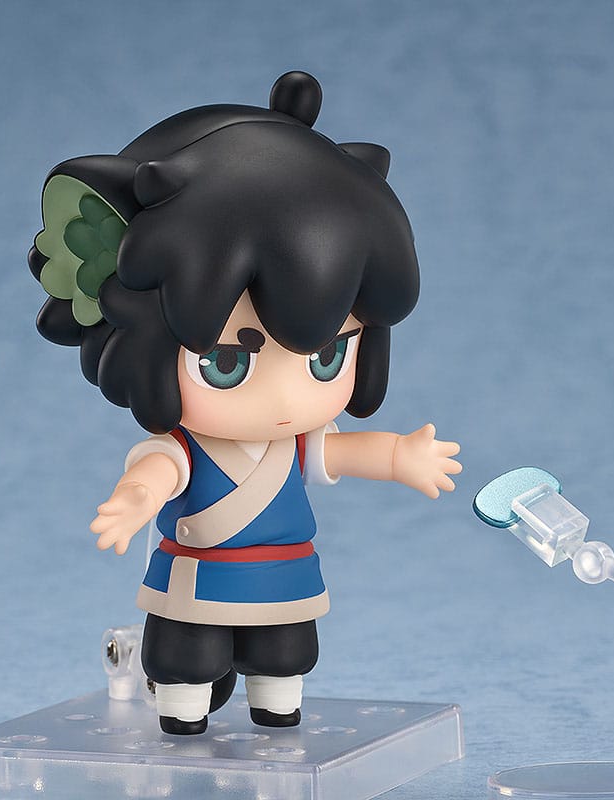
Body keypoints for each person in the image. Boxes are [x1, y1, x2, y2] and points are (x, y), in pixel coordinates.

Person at [30, 71, 461, 734]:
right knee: (188, 658)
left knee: (284, 654)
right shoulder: (188, 447)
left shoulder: (295, 443)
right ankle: (182, 711)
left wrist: (400, 456)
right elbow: (159, 471)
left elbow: (342, 453)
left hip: (284, 580)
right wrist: (136, 499)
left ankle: (276, 700)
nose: (286, 399)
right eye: (227, 363)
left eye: (326, 357)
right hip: (196, 582)